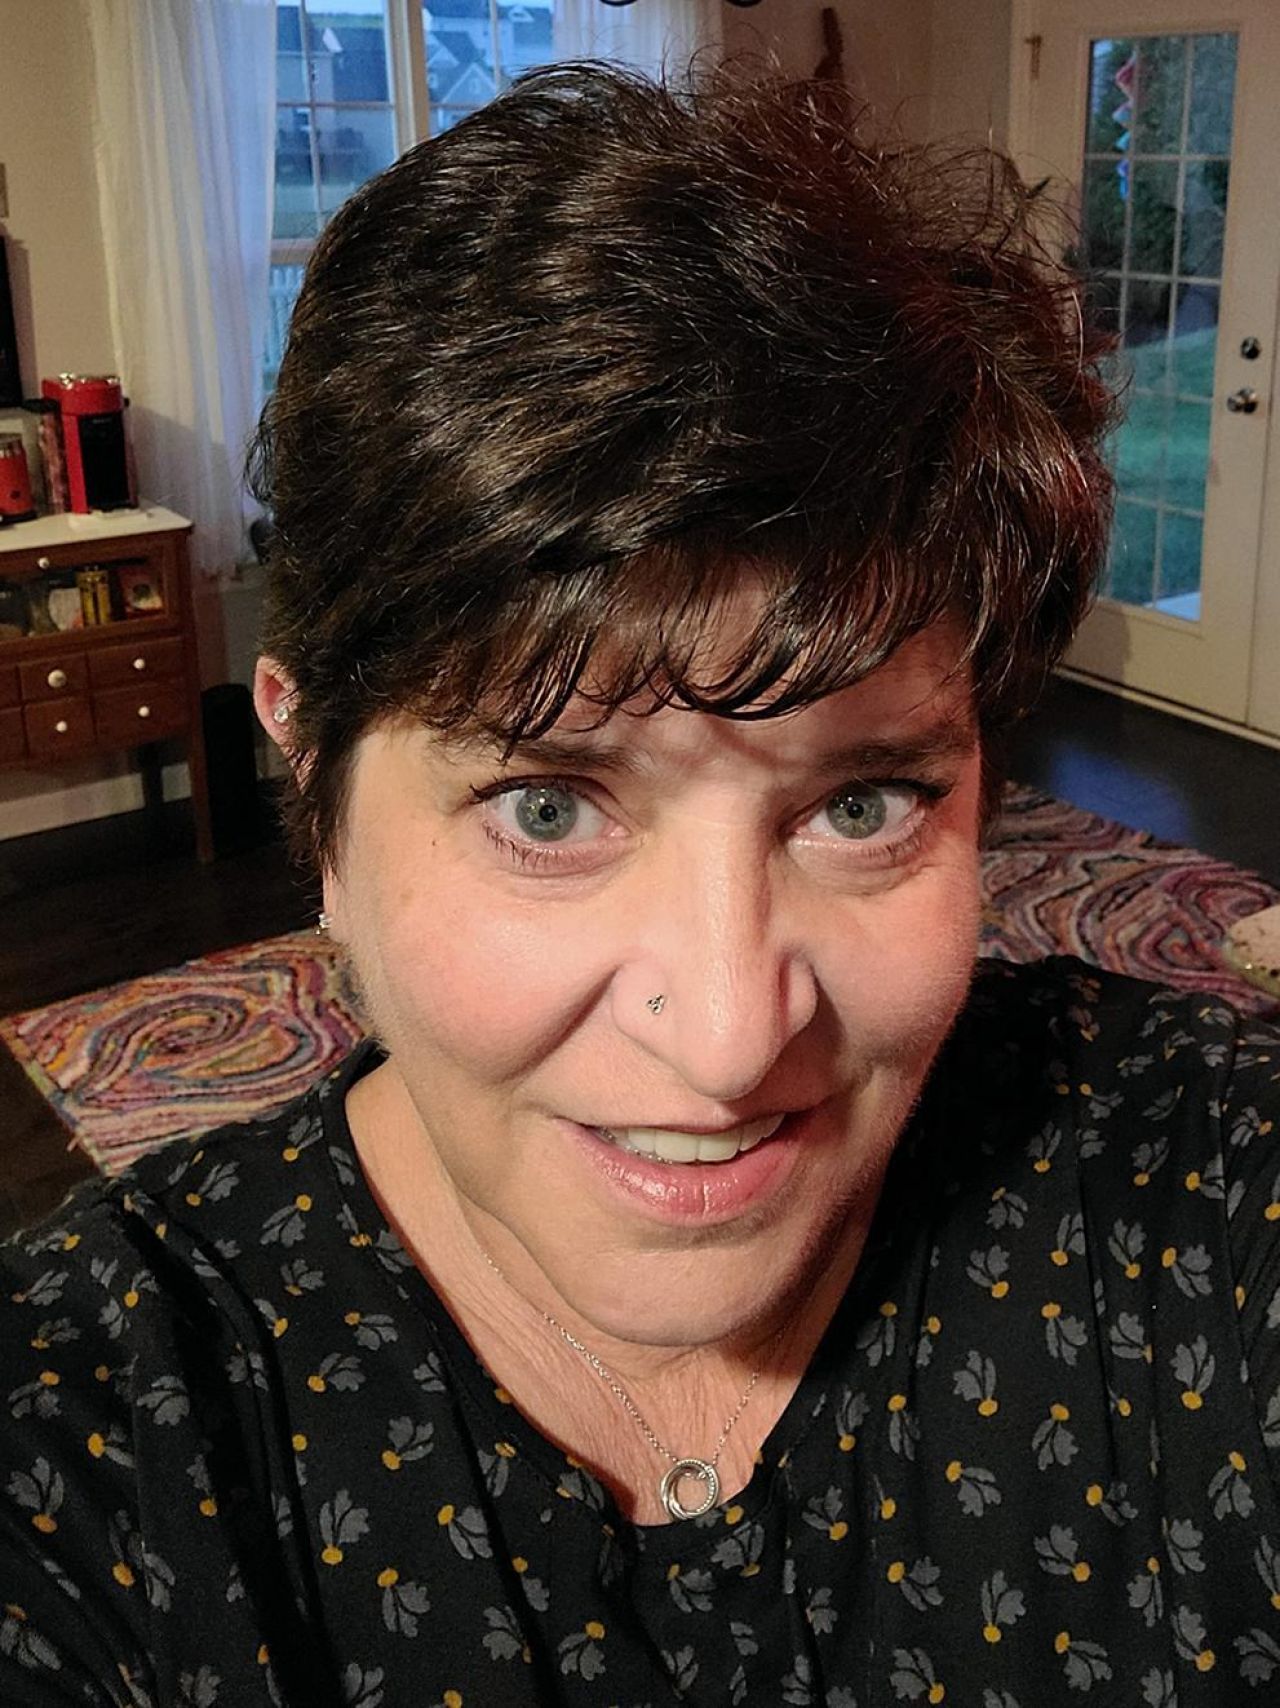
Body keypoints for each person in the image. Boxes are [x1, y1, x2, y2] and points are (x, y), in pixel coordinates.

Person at [2, 61, 1278, 1708]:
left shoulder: (1186, 1193)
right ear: (312, 789)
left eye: (867, 801)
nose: (733, 1037)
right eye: (547, 809)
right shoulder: (95, 1423)